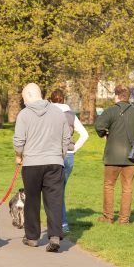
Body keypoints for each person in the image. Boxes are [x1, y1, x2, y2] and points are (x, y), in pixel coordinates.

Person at [13, 83, 71, 252]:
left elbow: (18, 140)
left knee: (32, 200)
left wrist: (19, 155)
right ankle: (54, 236)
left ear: (30, 96)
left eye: (24, 99)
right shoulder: (58, 113)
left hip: (32, 163)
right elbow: (66, 137)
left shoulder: (24, 115)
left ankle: (32, 237)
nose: (24, 103)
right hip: (54, 162)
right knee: (54, 199)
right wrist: (61, 154)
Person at [94, 84, 134, 225]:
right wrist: (133, 139)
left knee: (109, 186)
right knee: (127, 189)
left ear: (116, 95)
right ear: (128, 96)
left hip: (112, 156)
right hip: (131, 157)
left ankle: (107, 217)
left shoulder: (111, 111)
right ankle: (124, 220)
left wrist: (105, 134)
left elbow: (98, 126)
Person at [49, 88, 89, 233]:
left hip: (53, 154)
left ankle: (60, 223)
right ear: (63, 100)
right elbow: (85, 134)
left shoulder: (48, 112)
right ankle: (63, 224)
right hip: (69, 156)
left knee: (52, 191)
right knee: (60, 191)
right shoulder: (71, 115)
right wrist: (74, 149)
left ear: (51, 100)